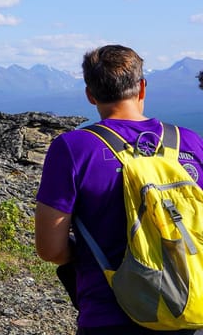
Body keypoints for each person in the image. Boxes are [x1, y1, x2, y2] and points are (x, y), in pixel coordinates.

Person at [35, 44, 203, 334]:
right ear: (142, 88)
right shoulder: (190, 142)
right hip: (191, 309)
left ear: (90, 94)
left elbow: (51, 249)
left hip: (110, 316)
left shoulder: (73, 149)